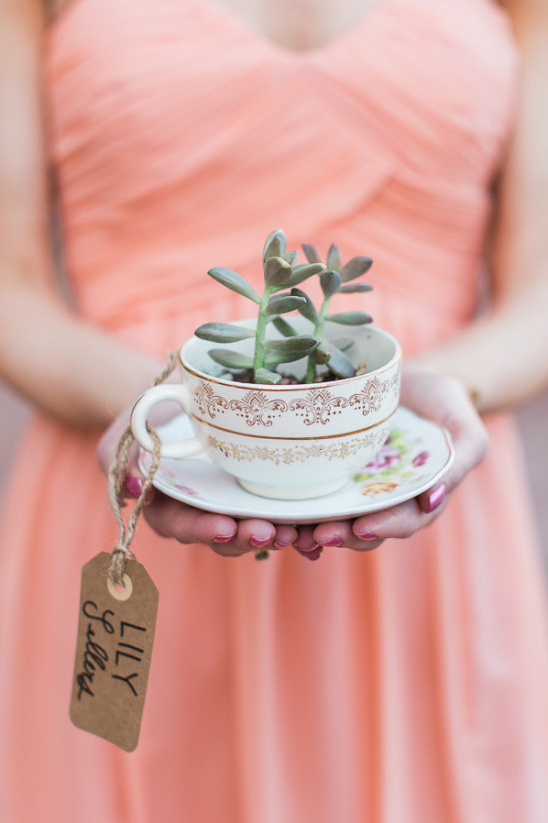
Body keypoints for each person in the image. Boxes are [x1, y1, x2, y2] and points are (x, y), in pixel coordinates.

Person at [0, 0, 547, 820]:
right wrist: (166, 403)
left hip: (414, 500)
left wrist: (435, 391)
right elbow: (12, 291)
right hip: (133, 477)